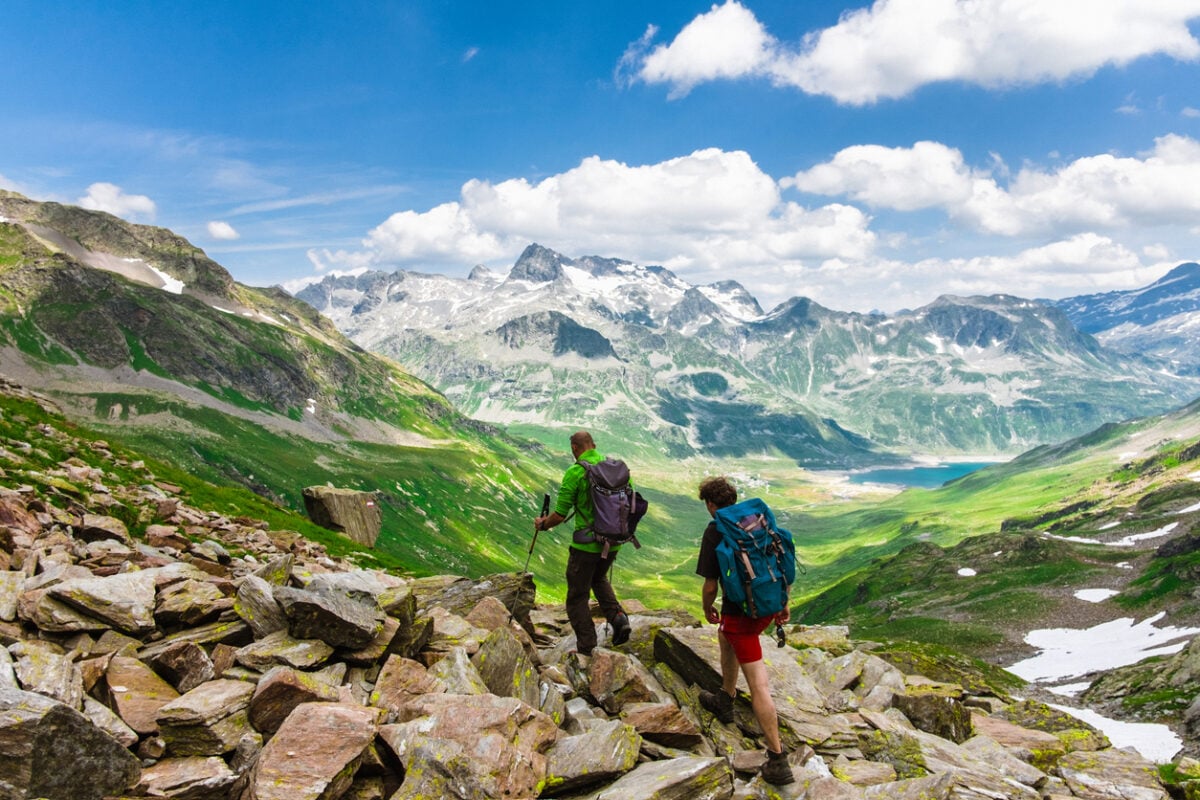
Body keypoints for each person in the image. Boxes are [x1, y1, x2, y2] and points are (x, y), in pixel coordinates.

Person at [694, 475, 795, 786]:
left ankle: (778, 759)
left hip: (743, 617)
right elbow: (778, 560)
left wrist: (706, 606)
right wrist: (783, 602)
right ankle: (726, 696)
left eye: (707, 504)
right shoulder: (755, 520)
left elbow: (711, 585)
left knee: (759, 684)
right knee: (724, 634)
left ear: (711, 505)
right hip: (768, 605)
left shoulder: (716, 531)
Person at [534, 430, 631, 656]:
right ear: (594, 445)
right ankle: (619, 619)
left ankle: (587, 648)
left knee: (577, 597)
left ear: (575, 448)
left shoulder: (576, 472)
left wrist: (543, 524)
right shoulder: (617, 469)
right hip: (614, 542)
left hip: (586, 547)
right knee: (598, 578)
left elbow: (559, 514)